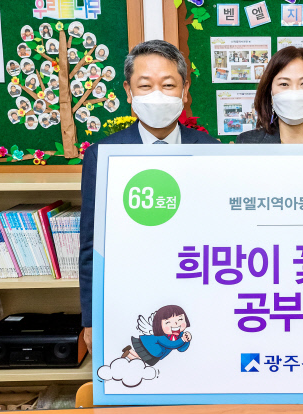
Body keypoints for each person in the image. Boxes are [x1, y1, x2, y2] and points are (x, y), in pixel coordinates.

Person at [80, 40, 220, 354]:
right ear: (128, 92)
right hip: (129, 294)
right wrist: (91, 319)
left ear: (185, 91)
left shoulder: (212, 151)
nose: (157, 94)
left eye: (168, 85)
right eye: (145, 85)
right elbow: (91, 244)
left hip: (197, 289)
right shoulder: (102, 155)